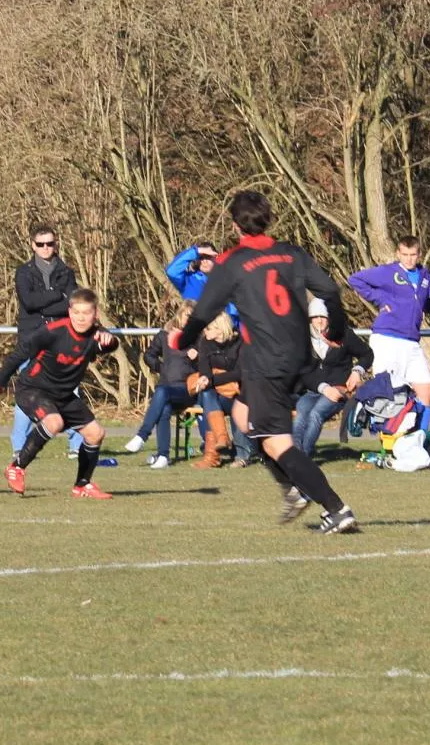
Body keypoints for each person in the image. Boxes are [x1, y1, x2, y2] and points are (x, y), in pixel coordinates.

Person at [175, 190, 360, 533]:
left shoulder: (232, 262)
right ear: (268, 219)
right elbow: (330, 290)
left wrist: (182, 340)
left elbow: (203, 312)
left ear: (235, 225)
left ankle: (335, 508)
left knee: (276, 442)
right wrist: (335, 326)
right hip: (297, 354)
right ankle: (293, 489)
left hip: (266, 360)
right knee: (243, 417)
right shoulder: (291, 253)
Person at [0, 287, 120, 498]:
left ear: (95, 314)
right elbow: (20, 353)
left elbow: (109, 345)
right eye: (76, 312)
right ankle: (17, 467)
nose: (81, 318)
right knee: (54, 422)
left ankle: (82, 485)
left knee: (95, 434)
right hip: (33, 389)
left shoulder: (95, 335)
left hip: (63, 395)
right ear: (69, 312)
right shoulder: (53, 331)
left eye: (86, 313)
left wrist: (110, 339)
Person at [348, 236, 430, 433]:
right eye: (404, 254)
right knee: (388, 395)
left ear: (419, 254)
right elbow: (355, 280)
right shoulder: (388, 272)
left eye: (413, 255)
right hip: (387, 339)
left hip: (411, 342)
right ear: (398, 254)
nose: (409, 259)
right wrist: (380, 299)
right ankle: (387, 444)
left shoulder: (425, 278)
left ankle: (418, 439)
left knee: (426, 391)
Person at [11, 226, 79, 457]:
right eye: (40, 244)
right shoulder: (23, 272)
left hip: (61, 341)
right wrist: (56, 294)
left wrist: (49, 303)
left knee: (71, 391)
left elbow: (71, 303)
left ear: (56, 244)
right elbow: (29, 302)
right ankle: (19, 447)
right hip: (32, 340)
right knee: (26, 395)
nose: (46, 248)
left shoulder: (66, 272)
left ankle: (77, 446)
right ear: (33, 245)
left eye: (50, 243)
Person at [292, 295, 372, 457]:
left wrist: (357, 371)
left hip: (339, 389)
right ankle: (294, 455)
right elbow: (304, 371)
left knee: (316, 414)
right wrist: (324, 388)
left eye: (323, 316)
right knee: (301, 414)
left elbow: (367, 354)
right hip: (315, 389)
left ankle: (303, 456)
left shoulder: (344, 334)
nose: (319, 321)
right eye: (315, 317)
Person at [125, 308, 194, 468]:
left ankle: (142, 435)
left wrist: (196, 357)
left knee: (161, 391)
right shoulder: (165, 335)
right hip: (167, 388)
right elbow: (149, 355)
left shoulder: (197, 338)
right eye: (187, 315)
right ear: (180, 315)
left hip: (186, 390)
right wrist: (161, 367)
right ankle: (163, 456)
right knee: (164, 408)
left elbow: (205, 364)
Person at [188, 313, 248, 468]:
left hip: (239, 392)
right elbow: (204, 369)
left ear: (220, 329)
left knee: (229, 404)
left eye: (208, 329)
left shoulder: (240, 343)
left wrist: (212, 380)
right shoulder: (205, 342)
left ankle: (233, 456)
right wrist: (204, 379)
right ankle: (220, 440)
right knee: (207, 394)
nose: (204, 332)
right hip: (216, 394)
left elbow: (240, 373)